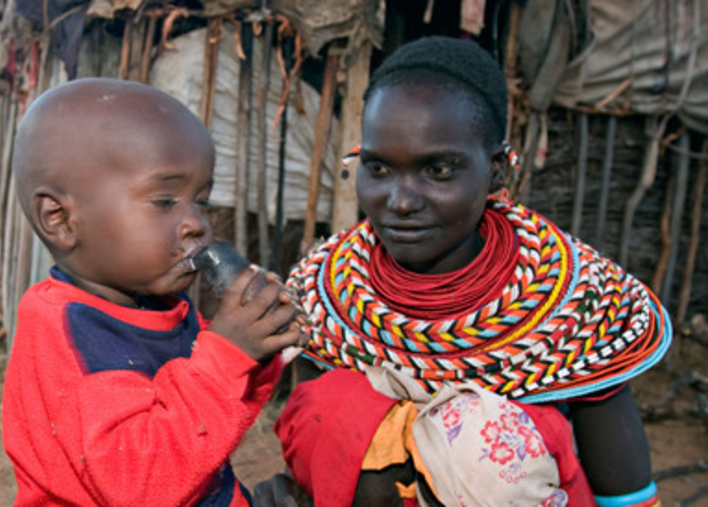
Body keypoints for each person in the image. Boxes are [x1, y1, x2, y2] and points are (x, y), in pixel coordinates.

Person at [274, 37, 672, 507]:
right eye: (378, 168)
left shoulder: (574, 301)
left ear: (497, 170)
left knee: (484, 442)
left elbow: (625, 490)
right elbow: (313, 453)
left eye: (438, 169)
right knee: (331, 406)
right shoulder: (328, 295)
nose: (400, 201)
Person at [1, 77, 305, 506]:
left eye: (201, 200)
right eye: (164, 202)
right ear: (60, 219)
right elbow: (139, 486)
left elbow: (212, 424)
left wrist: (257, 353)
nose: (196, 222)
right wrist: (227, 357)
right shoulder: (68, 335)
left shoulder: (160, 306)